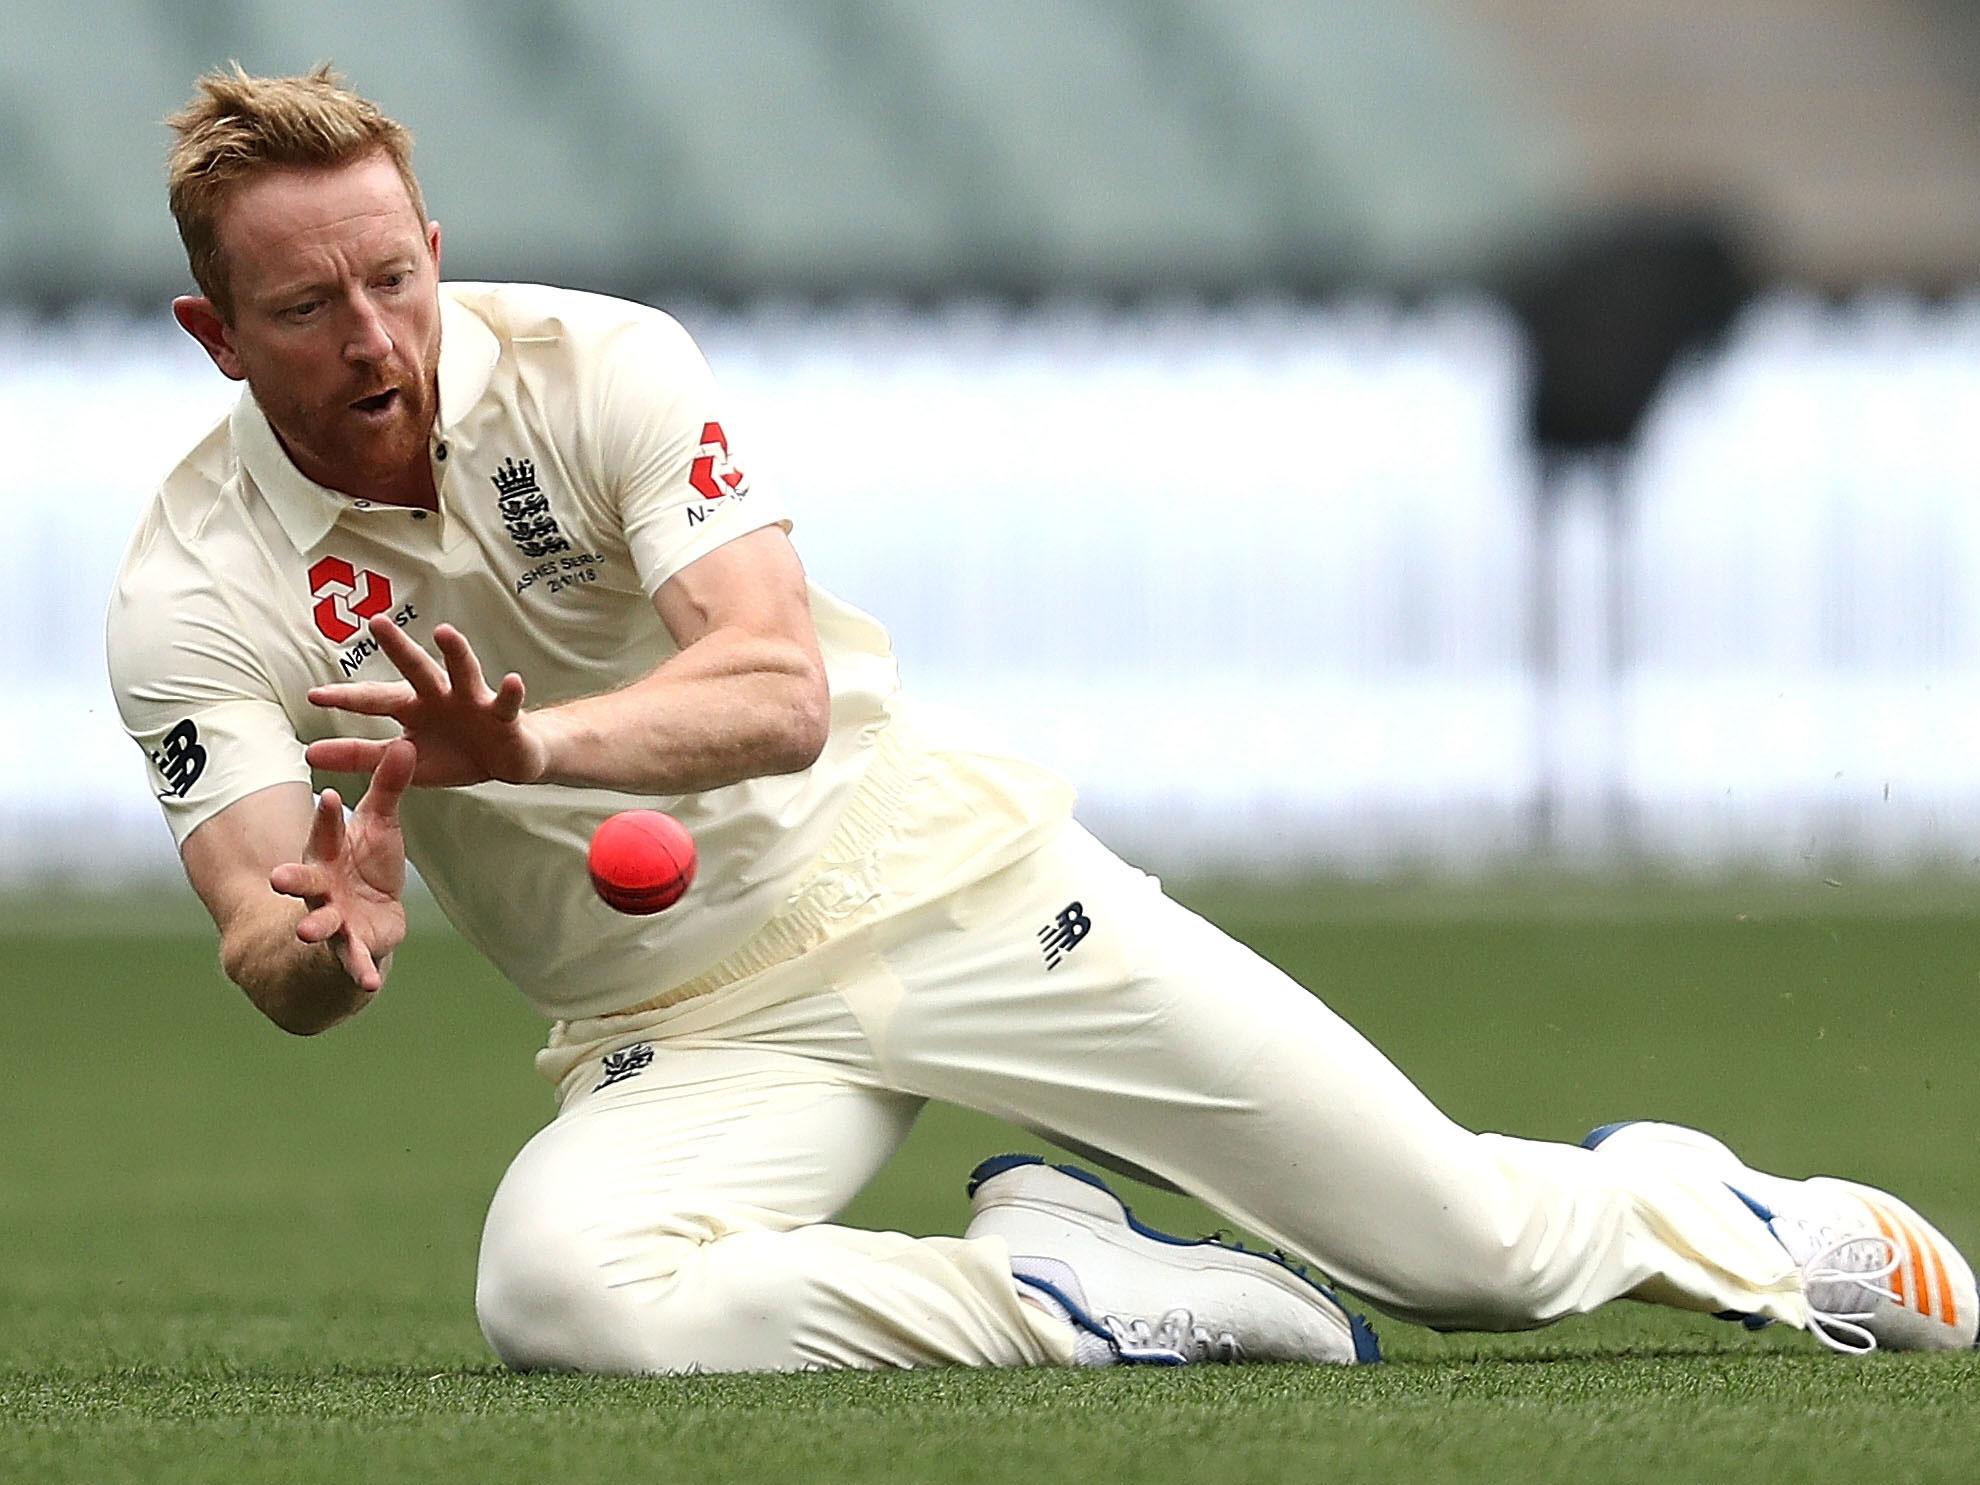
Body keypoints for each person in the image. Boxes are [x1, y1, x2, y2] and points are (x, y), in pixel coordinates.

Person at [110, 65, 1973, 1375]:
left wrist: (522, 756)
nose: (374, 337)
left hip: (955, 886)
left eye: (396, 274)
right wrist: (325, 944)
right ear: (216, 335)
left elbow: (772, 692)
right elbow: (269, 930)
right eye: (307, 306)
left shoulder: (601, 364)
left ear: (436, 239)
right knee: (566, 1298)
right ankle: (1072, 1295)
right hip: (680, 1018)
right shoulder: (193, 588)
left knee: (1467, 1257)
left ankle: (1731, 1223)